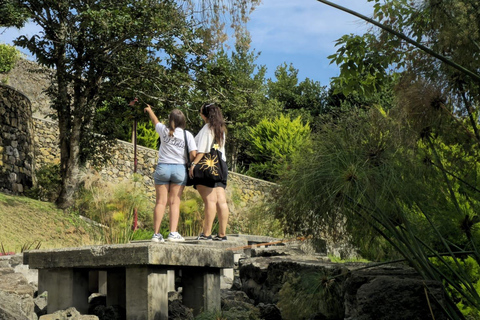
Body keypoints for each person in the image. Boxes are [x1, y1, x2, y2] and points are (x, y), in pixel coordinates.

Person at [144, 104, 197, 242]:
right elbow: (193, 154)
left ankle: (156, 234)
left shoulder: (163, 130)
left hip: (163, 168)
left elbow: (155, 121)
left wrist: (150, 110)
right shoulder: (187, 135)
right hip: (179, 169)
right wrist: (190, 161)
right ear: (182, 121)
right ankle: (173, 233)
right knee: (174, 202)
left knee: (160, 202)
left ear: (170, 119)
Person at [189, 103, 229, 241]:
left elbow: (203, 149)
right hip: (220, 166)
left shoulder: (207, 128)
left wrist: (193, 164)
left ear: (205, 114)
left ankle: (206, 234)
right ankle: (222, 234)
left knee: (210, 201)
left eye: (200, 112)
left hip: (208, 165)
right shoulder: (221, 129)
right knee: (221, 202)